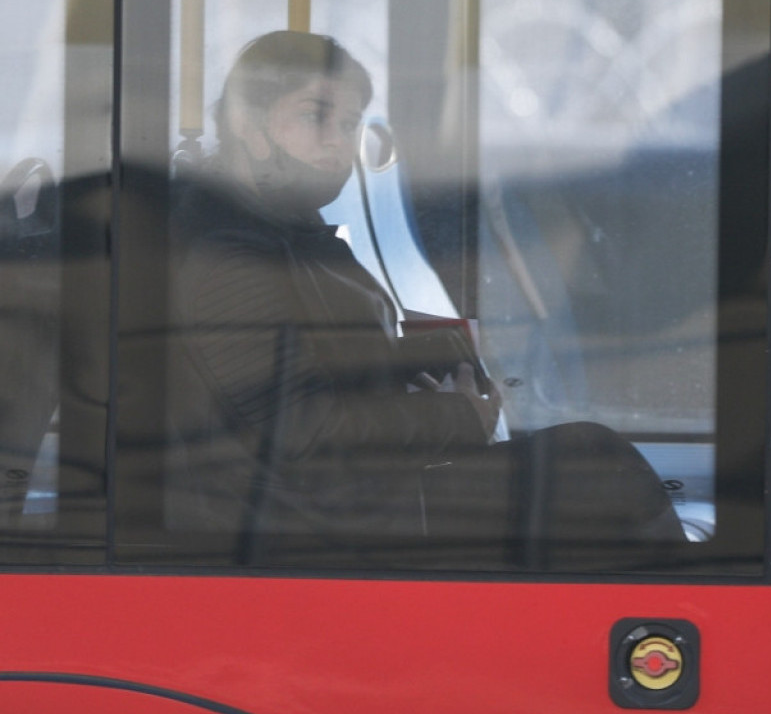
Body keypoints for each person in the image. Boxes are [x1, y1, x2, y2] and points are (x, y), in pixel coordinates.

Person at [164, 31, 682, 565]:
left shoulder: (283, 227)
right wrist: (455, 418)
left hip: (332, 502)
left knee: (586, 464)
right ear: (248, 123)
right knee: (599, 469)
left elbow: (317, 357)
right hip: (298, 522)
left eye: (348, 124)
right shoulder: (227, 252)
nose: (338, 142)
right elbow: (297, 430)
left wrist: (425, 364)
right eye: (315, 115)